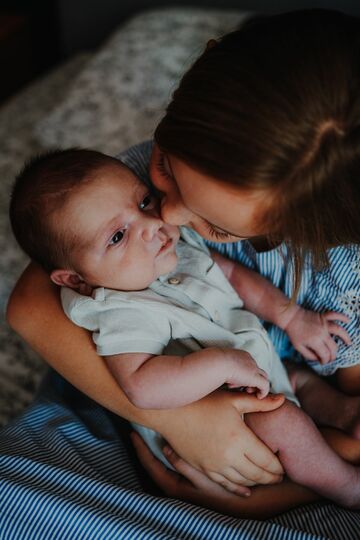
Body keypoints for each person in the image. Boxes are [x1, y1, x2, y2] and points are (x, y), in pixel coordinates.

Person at [6, 9, 360, 511]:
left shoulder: (341, 274)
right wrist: (181, 422)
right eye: (164, 168)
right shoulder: (122, 191)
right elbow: (27, 306)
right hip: (154, 405)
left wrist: (266, 499)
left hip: (271, 380)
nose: (165, 215)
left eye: (216, 229)